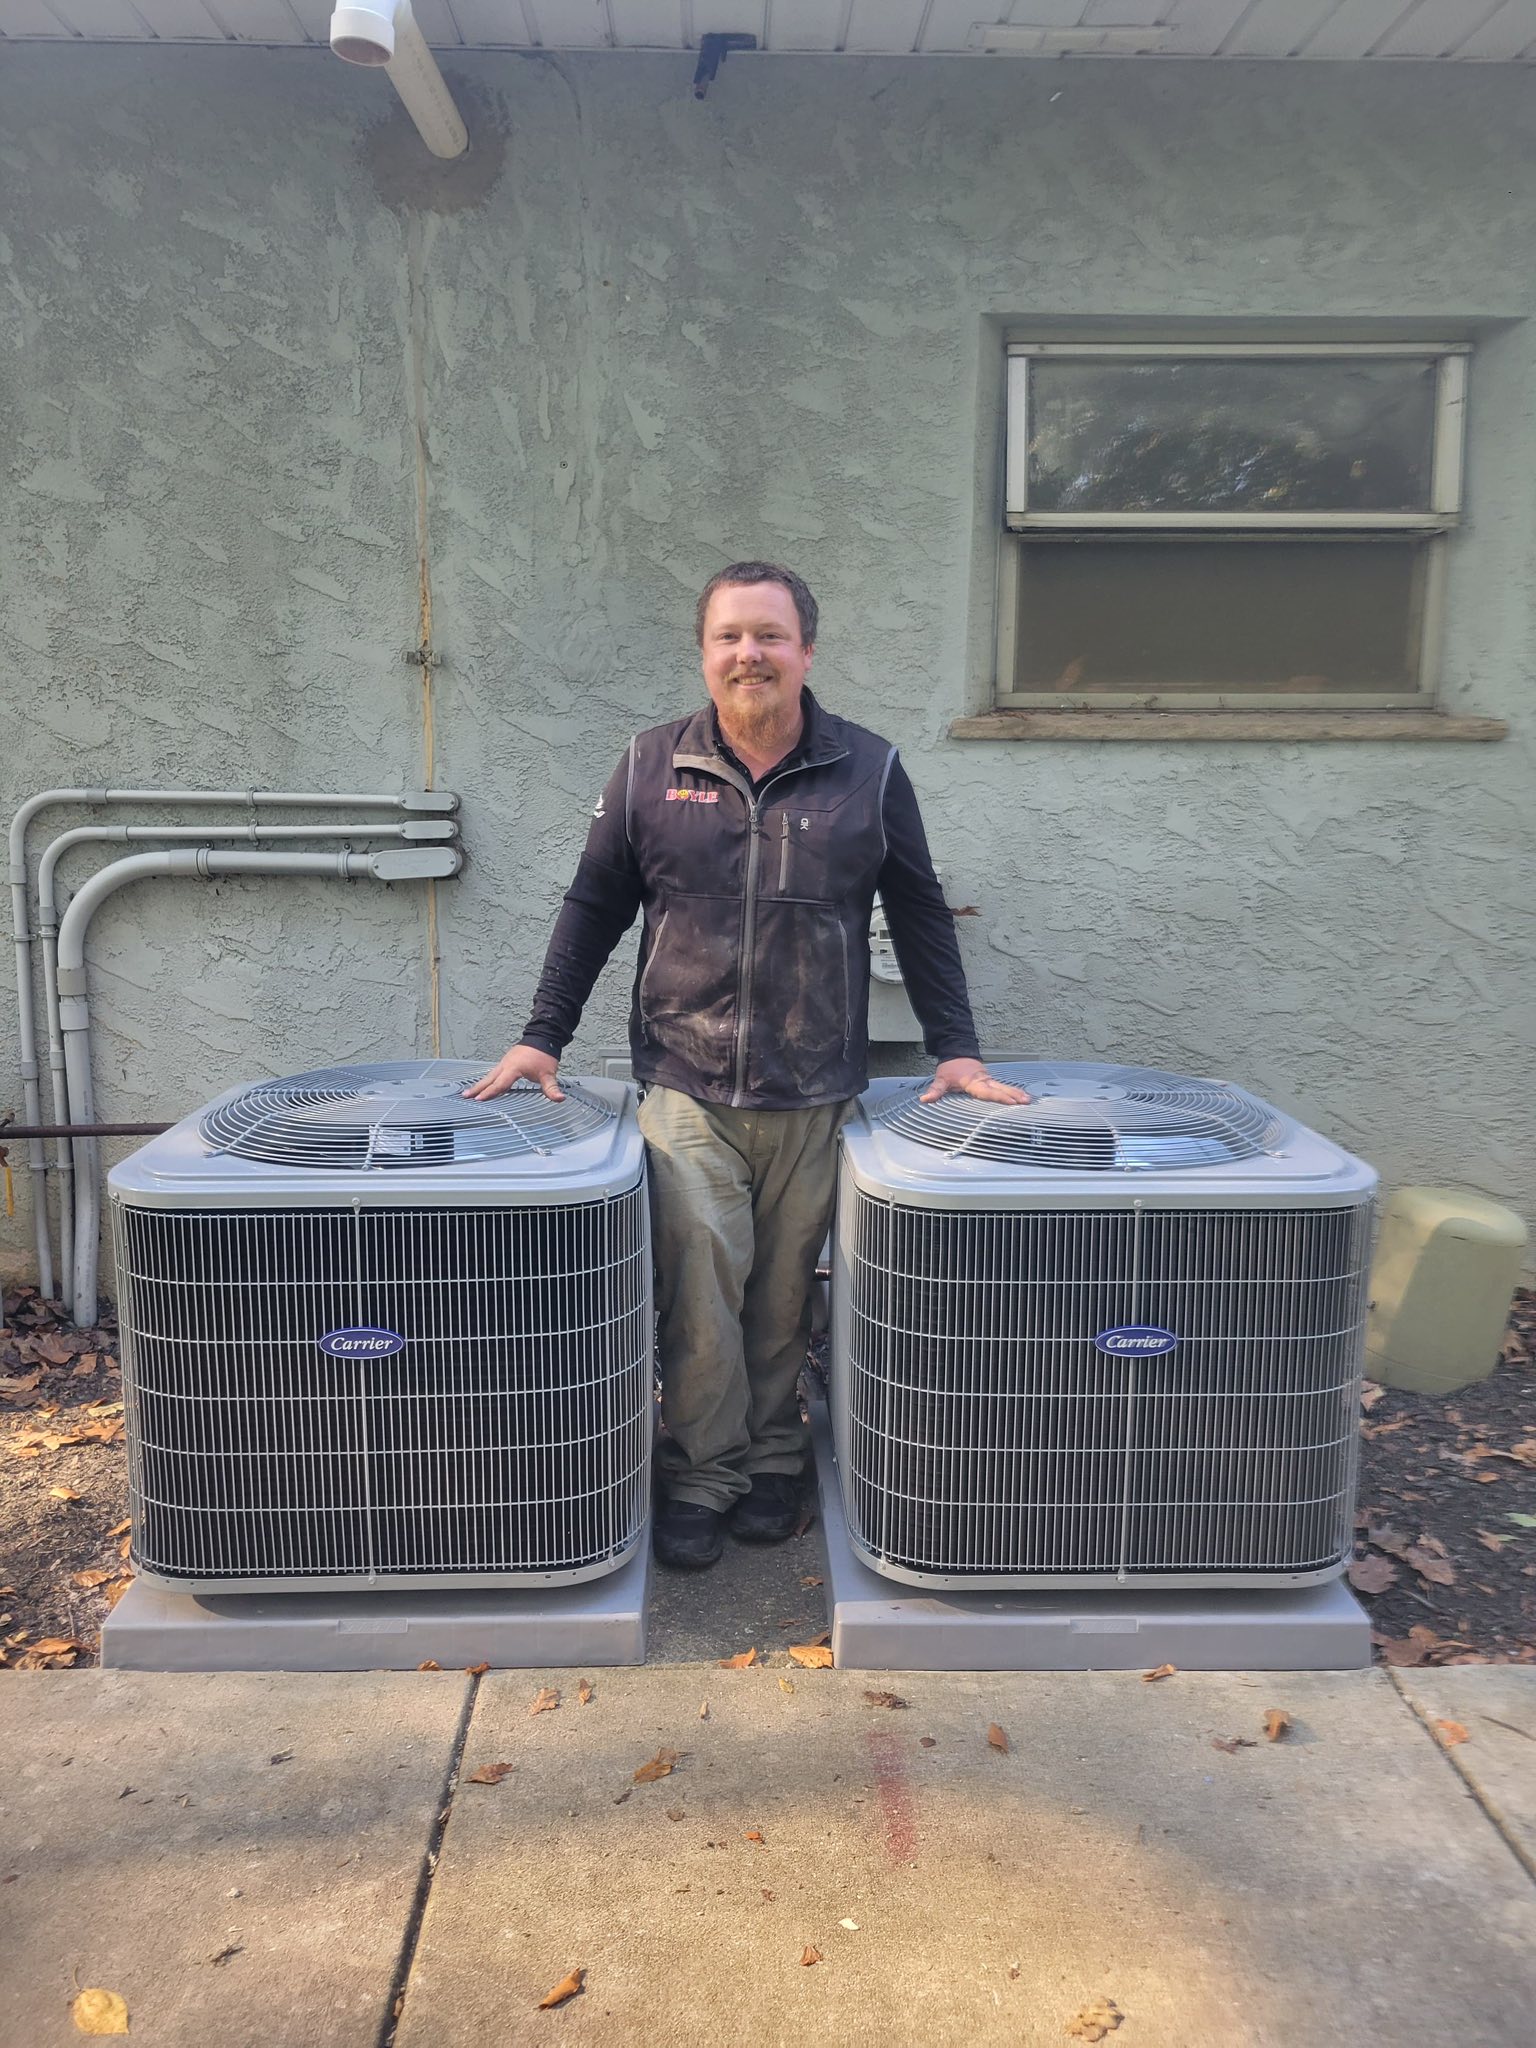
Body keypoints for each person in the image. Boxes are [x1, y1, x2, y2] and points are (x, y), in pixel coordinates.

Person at [466, 562, 1026, 1570]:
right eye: (730, 635)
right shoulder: (650, 764)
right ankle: (705, 1470)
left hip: (815, 1087)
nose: (749, 653)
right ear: (705, 652)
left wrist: (958, 1049)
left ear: (806, 650)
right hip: (687, 1082)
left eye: (769, 634)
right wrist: (541, 1032)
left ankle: (773, 1458)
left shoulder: (871, 769)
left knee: (779, 1295)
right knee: (700, 1287)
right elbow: (593, 906)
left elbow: (920, 910)